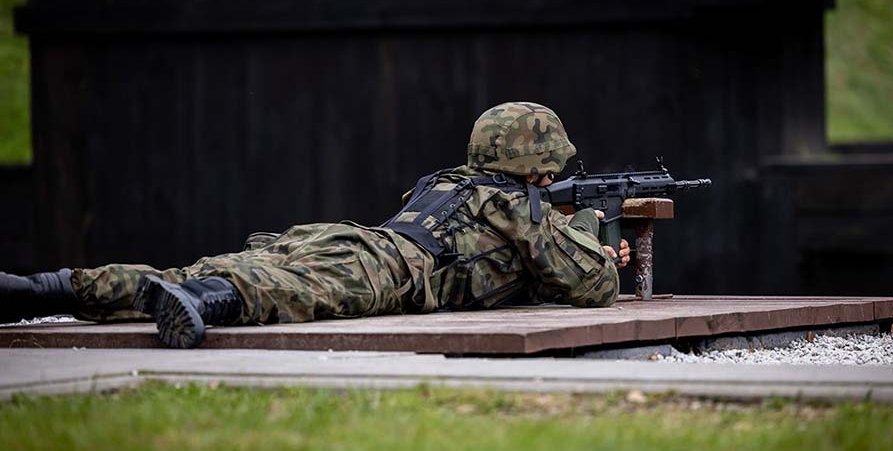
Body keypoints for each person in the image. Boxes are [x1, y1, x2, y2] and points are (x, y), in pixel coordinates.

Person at [0, 101, 631, 348]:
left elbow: (537, 274)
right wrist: (596, 233)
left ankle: (43, 289)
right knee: (287, 293)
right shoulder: (518, 208)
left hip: (350, 239)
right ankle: (194, 304)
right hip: (384, 268)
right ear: (534, 166)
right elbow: (592, 286)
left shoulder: (451, 182)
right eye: (547, 172)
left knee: (206, 272)